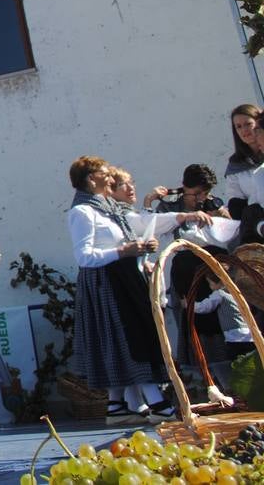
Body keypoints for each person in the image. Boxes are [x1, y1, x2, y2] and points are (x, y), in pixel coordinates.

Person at [67, 155, 211, 422]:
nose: (110, 177)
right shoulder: (82, 212)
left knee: (132, 340)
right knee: (130, 341)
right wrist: (125, 251)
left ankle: (118, 406)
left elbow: (142, 225)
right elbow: (84, 257)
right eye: (104, 173)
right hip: (106, 285)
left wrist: (179, 220)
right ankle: (156, 403)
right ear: (90, 179)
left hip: (123, 280)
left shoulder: (106, 208)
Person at [223, 105, 264, 222]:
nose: (244, 130)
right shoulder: (236, 164)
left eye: (248, 124)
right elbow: (236, 207)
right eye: (238, 127)